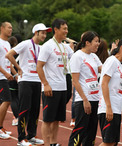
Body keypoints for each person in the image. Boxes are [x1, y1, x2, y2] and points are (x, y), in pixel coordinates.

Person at [6, 23, 51, 146]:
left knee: (35, 110)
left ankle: (31, 135)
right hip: (25, 80)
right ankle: (21, 138)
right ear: (36, 32)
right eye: (43, 32)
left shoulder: (41, 48)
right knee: (24, 109)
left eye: (46, 33)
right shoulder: (25, 44)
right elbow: (9, 54)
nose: (44, 35)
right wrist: (18, 68)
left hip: (37, 81)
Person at [37, 18, 68, 146]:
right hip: (51, 88)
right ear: (56, 29)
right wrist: (46, 84)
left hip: (62, 87)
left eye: (67, 28)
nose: (67, 31)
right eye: (64, 28)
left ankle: (54, 142)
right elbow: (39, 66)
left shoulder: (64, 46)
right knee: (48, 119)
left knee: (56, 119)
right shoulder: (48, 46)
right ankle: (46, 143)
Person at [68, 31, 102, 146]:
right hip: (83, 100)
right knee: (80, 131)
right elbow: (75, 81)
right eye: (96, 41)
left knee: (92, 132)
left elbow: (104, 70)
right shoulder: (77, 56)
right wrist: (85, 99)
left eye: (99, 41)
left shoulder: (94, 56)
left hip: (95, 98)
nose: (98, 44)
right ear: (87, 42)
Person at [0, 21, 13, 140]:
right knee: (7, 100)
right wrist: (5, 73)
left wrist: (16, 72)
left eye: (12, 28)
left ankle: (1, 127)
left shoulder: (7, 44)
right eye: (9, 27)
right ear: (2, 28)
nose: (11, 29)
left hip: (5, 76)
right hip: (1, 77)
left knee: (3, 102)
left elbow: (8, 62)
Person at [8, 36, 19, 126]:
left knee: (13, 98)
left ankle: (16, 117)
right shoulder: (20, 51)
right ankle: (22, 117)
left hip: (12, 77)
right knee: (20, 98)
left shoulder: (8, 52)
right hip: (22, 77)